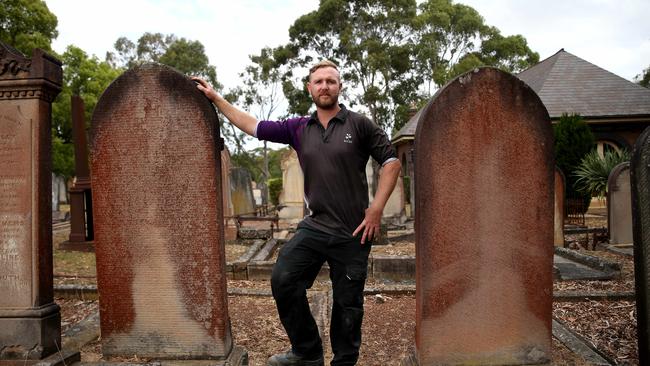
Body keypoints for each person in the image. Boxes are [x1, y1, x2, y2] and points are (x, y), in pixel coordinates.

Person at [193, 59, 401, 366]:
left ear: (339, 87)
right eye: (319, 82)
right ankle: (307, 352)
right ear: (310, 88)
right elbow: (254, 126)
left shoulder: (360, 124)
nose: (325, 86)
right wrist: (217, 98)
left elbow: (391, 162)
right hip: (315, 226)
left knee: (348, 305)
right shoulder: (299, 129)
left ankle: (343, 362)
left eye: (331, 81)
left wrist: (376, 209)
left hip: (353, 231)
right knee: (283, 279)